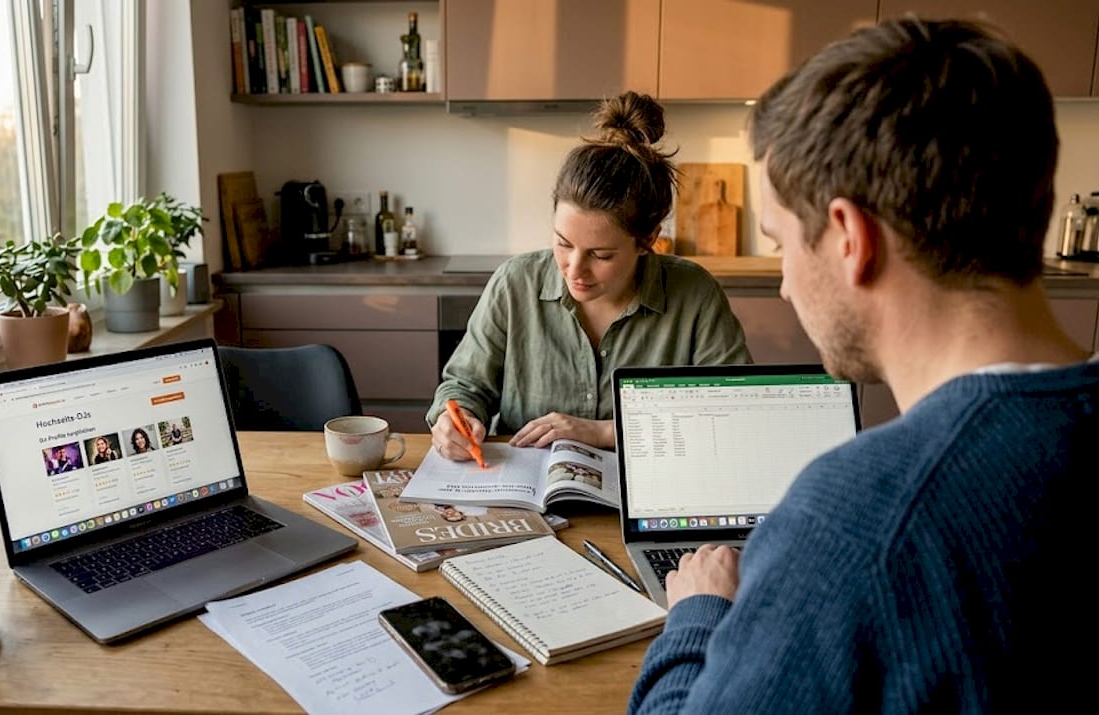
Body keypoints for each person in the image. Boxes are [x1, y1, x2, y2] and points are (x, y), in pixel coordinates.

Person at [628, 18, 1098, 714]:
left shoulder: (855, 521)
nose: (785, 284)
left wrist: (697, 612)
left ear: (851, 238)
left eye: (781, 243)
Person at [429, 91, 750, 459]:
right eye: (563, 243)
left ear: (648, 240)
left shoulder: (694, 294)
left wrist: (604, 432)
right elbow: (464, 385)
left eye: (600, 255)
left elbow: (732, 410)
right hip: (527, 498)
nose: (574, 269)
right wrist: (457, 418)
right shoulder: (514, 283)